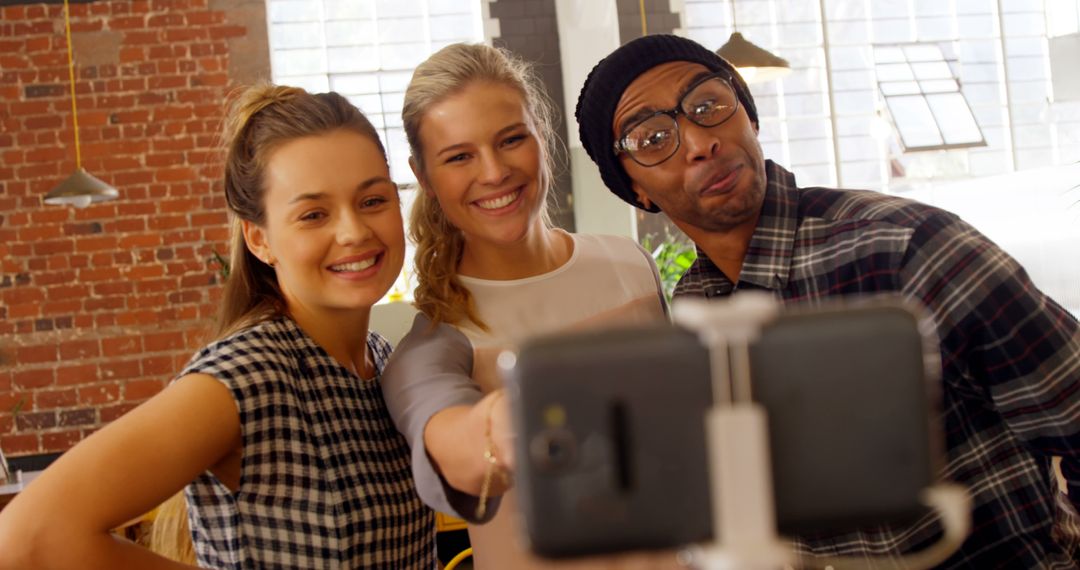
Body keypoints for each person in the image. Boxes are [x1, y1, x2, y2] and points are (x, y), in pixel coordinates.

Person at [574, 33, 1080, 568]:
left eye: (708, 106)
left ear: (748, 116)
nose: (700, 142)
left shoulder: (904, 248)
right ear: (637, 191)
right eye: (653, 138)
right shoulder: (699, 305)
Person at [0, 85, 436, 569]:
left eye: (372, 200)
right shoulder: (248, 372)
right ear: (259, 239)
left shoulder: (383, 360)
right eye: (313, 214)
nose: (354, 231)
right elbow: (27, 538)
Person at [380, 43, 676, 569]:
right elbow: (454, 447)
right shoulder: (434, 346)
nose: (494, 173)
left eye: (511, 139)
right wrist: (493, 434)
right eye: (459, 156)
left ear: (541, 133)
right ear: (423, 175)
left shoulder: (629, 264)